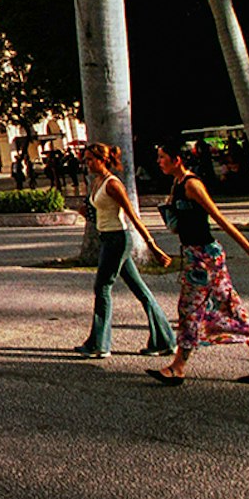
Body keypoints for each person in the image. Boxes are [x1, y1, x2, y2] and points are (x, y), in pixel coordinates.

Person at [148, 145, 249, 386]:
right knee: (205, 309)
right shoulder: (177, 185)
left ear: (176, 159)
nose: (158, 161)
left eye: (162, 157)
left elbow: (220, 218)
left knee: (202, 309)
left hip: (207, 258)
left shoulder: (192, 185)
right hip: (194, 257)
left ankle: (178, 367)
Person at [74, 144, 176, 359]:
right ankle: (165, 340)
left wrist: (153, 246)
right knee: (140, 290)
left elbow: (132, 216)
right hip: (107, 238)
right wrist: (87, 213)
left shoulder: (113, 184)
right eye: (86, 159)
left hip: (118, 240)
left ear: (103, 160)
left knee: (102, 288)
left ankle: (100, 344)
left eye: (91, 159)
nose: (87, 163)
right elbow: (99, 213)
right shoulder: (96, 182)